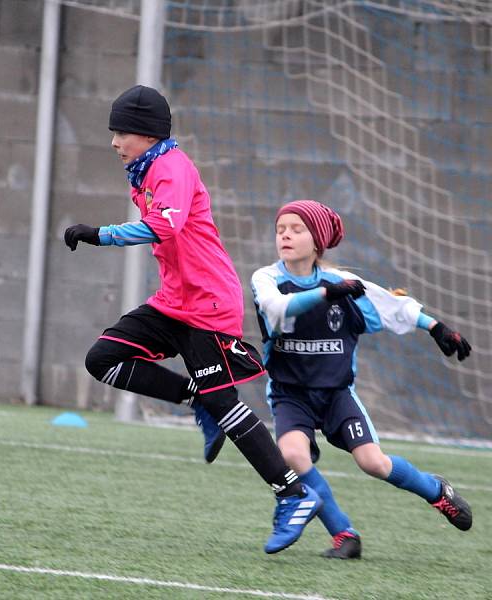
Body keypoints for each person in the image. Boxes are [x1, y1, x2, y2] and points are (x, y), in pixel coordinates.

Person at [64, 85, 322, 554]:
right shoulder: (143, 170)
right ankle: (195, 400)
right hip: (174, 301)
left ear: (145, 134)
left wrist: (97, 234)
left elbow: (165, 226)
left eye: (120, 132)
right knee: (103, 358)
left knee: (226, 403)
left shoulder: (171, 167)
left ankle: (293, 493)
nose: (114, 142)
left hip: (207, 305)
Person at [251, 199, 473, 560]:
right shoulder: (268, 278)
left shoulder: (343, 285)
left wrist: (437, 328)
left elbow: (394, 306)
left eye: (296, 229)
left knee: (374, 463)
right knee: (292, 455)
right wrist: (326, 294)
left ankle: (435, 491)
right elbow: (275, 309)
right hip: (290, 394)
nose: (285, 236)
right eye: (280, 230)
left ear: (318, 241)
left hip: (337, 394)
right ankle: (344, 535)